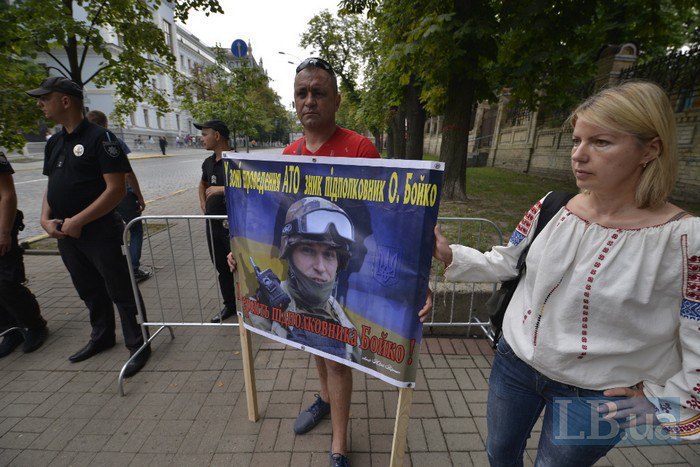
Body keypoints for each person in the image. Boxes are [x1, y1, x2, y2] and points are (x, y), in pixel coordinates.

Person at [433, 81, 699, 465]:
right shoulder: (553, 206)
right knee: (498, 452)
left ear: (651, 149)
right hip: (515, 365)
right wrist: (450, 255)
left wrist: (663, 401)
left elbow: (696, 337)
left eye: (601, 142)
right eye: (577, 140)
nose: (579, 155)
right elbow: (509, 260)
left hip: (597, 397)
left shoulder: (685, 239)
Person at [27, 76, 150, 377]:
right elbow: (51, 185)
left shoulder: (101, 139)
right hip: (66, 232)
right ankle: (102, 336)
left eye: (45, 98)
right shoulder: (55, 142)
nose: (40, 103)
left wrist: (78, 221)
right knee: (88, 288)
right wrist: (45, 219)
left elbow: (115, 190)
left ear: (65, 101)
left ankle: (138, 342)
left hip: (98, 230)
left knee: (119, 287)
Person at [247, 197, 361, 363]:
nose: (320, 267)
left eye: (329, 254)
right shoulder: (261, 309)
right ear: (289, 254)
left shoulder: (342, 322)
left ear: (339, 263)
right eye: (308, 250)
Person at [86, 110, 151, 283]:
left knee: (108, 232)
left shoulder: (83, 143)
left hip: (98, 198)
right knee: (135, 229)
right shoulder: (111, 140)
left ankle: (111, 270)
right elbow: (127, 173)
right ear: (105, 123)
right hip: (122, 194)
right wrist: (139, 196)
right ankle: (133, 270)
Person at [0, 152, 48, 357]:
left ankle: (34, 324)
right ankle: (11, 330)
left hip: (1, 227)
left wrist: (4, 232)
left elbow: (7, 194)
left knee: (6, 283)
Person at [195, 119, 237, 323]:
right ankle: (230, 305)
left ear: (217, 136)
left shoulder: (237, 161)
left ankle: (250, 305)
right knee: (221, 267)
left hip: (234, 227)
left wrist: (222, 189)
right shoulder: (208, 163)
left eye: (205, 134)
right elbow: (202, 184)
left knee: (239, 267)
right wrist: (203, 202)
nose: (201, 138)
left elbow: (252, 188)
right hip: (213, 226)